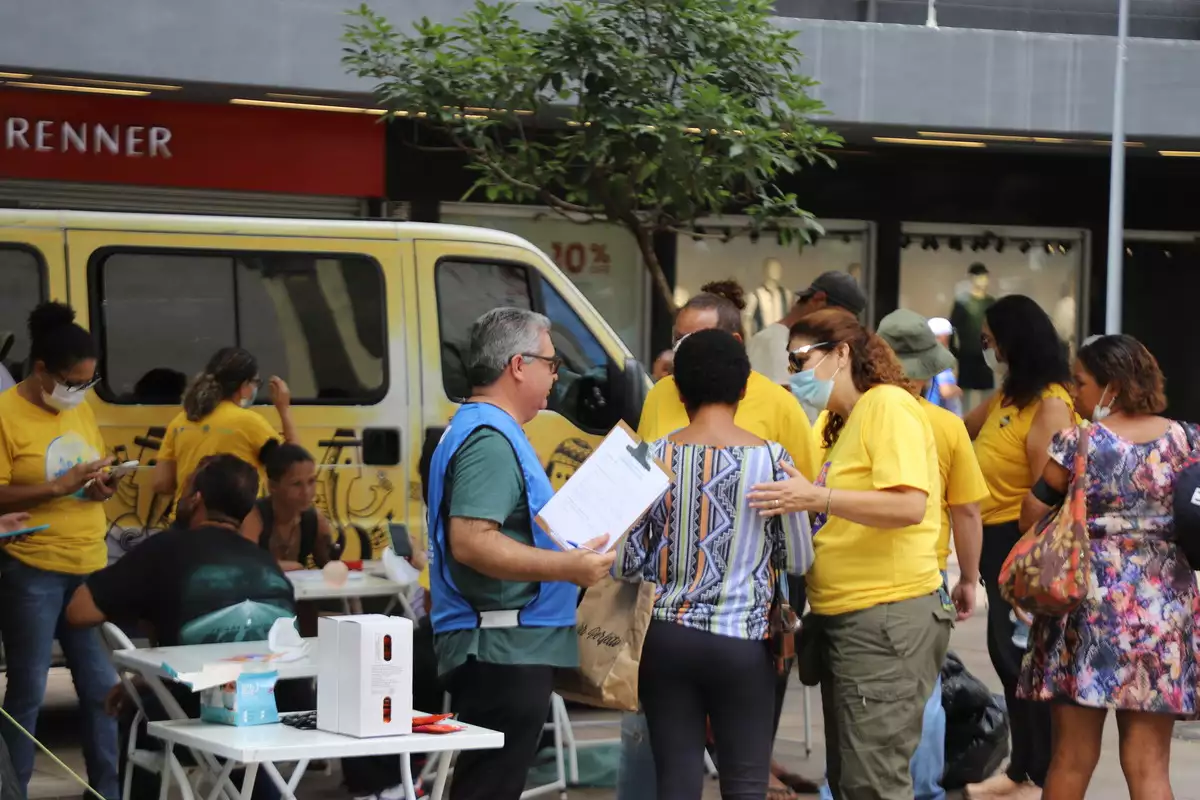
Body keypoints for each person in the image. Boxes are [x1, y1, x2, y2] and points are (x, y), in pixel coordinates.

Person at [624, 281, 819, 800]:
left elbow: (627, 559)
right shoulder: (774, 461)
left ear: (679, 392)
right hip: (743, 643)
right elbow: (799, 558)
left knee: (677, 781)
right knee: (746, 782)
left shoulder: (648, 458)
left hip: (664, 639)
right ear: (741, 390)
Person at [747, 308, 953, 800]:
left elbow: (908, 504)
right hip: (852, 617)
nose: (793, 375)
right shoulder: (840, 421)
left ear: (841, 354)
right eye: (789, 364)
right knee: (850, 780)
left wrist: (816, 498)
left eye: (801, 360)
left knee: (871, 783)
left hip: (884, 619)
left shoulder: (887, 406)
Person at [424, 307, 615, 800]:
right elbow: (471, 540)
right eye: (551, 363)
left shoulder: (489, 429)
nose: (557, 374)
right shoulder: (489, 438)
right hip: (502, 649)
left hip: (509, 644)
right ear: (518, 364)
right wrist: (569, 566)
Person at [1015, 335, 1199, 800]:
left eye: (1081, 382)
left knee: (1072, 758)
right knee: (1150, 765)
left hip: (1085, 604)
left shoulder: (1080, 443)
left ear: (1111, 387)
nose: (1074, 393)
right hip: (1162, 609)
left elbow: (1031, 514)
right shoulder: (1187, 440)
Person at [66, 454, 300, 800]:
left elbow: (78, 611)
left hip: (201, 718)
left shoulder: (165, 551)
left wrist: (142, 611)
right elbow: (244, 649)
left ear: (197, 499)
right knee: (229, 727)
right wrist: (148, 678)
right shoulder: (266, 563)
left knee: (138, 713)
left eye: (187, 486)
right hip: (274, 714)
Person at [0, 301, 120, 800]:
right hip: (32, 568)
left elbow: (82, 472)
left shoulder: (81, 408)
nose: (79, 393)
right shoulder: (6, 413)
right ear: (41, 370)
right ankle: (12, 791)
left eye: (87, 383)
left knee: (102, 691)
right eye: (72, 382)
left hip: (88, 562)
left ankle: (109, 791)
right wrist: (55, 487)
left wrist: (98, 486)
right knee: (26, 693)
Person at [964, 295, 1074, 800]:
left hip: (1021, 544)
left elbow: (1049, 493)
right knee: (1006, 656)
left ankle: (1044, 773)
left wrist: (1029, 556)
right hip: (992, 541)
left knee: (1022, 658)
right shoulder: (1011, 393)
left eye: (989, 340)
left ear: (1013, 341)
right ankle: (1021, 768)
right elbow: (961, 429)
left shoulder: (1050, 402)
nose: (986, 349)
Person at [877, 309, 989, 800]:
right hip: (921, 580)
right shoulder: (945, 426)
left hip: (847, 583)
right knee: (923, 695)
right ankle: (921, 791)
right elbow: (966, 512)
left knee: (855, 697)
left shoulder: (842, 420)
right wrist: (969, 577)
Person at [151, 346, 297, 517]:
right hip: (234, 526)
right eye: (255, 382)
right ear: (244, 386)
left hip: (185, 524)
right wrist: (284, 410)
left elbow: (161, 483)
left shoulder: (181, 420)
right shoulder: (249, 422)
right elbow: (294, 466)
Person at [746, 271, 868, 387]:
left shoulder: (816, 348)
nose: (838, 327)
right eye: (837, 317)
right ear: (818, 299)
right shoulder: (771, 343)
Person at [241, 444, 334, 572]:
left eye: (311, 481)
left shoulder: (314, 520)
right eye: (296, 484)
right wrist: (295, 566)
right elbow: (245, 563)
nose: (306, 492)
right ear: (272, 486)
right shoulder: (255, 516)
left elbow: (331, 567)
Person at [925, 317, 964, 417]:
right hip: (942, 417)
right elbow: (945, 391)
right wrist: (959, 391)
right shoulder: (942, 360)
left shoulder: (929, 357)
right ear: (943, 337)